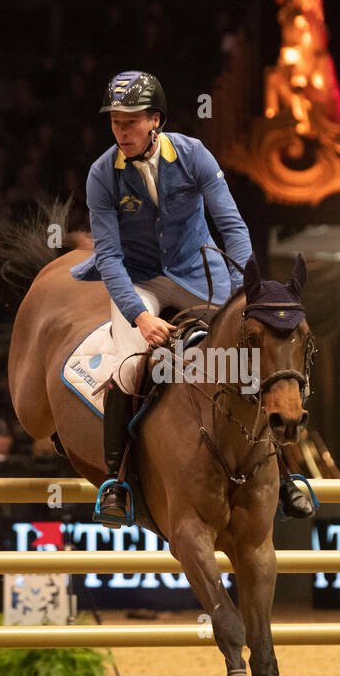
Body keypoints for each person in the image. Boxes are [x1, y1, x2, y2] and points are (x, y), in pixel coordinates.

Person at [72, 70, 314, 525]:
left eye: (131, 120)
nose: (122, 130)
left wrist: (250, 290)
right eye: (115, 122)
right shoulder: (102, 174)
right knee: (127, 368)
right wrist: (139, 318)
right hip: (138, 278)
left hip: (197, 275)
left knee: (244, 359)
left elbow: (232, 226)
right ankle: (115, 482)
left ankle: (283, 476)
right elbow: (107, 256)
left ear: (155, 121)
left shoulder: (194, 156)